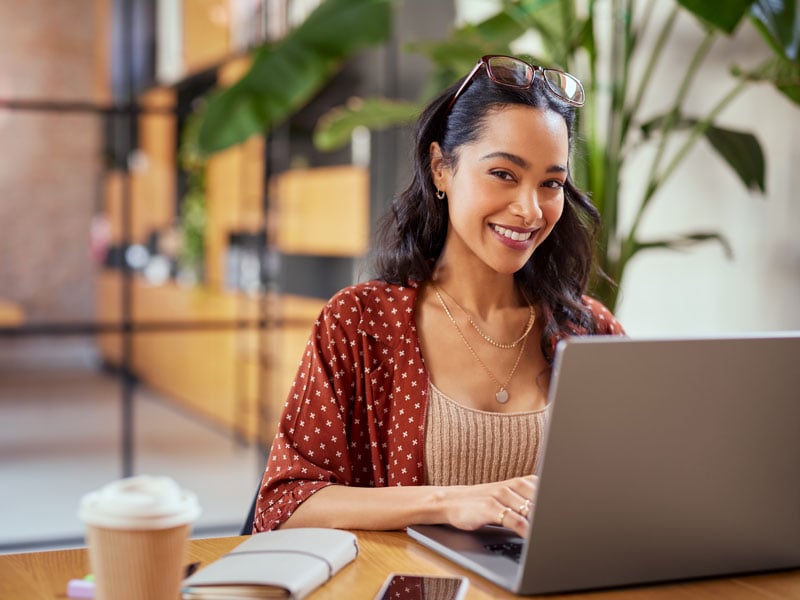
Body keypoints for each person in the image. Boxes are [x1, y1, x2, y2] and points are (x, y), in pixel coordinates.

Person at [253, 55, 624, 539]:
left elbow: (633, 486)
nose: (530, 210)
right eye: (504, 174)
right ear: (440, 168)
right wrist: (451, 502)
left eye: (551, 183)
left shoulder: (589, 328)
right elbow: (284, 504)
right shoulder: (360, 323)